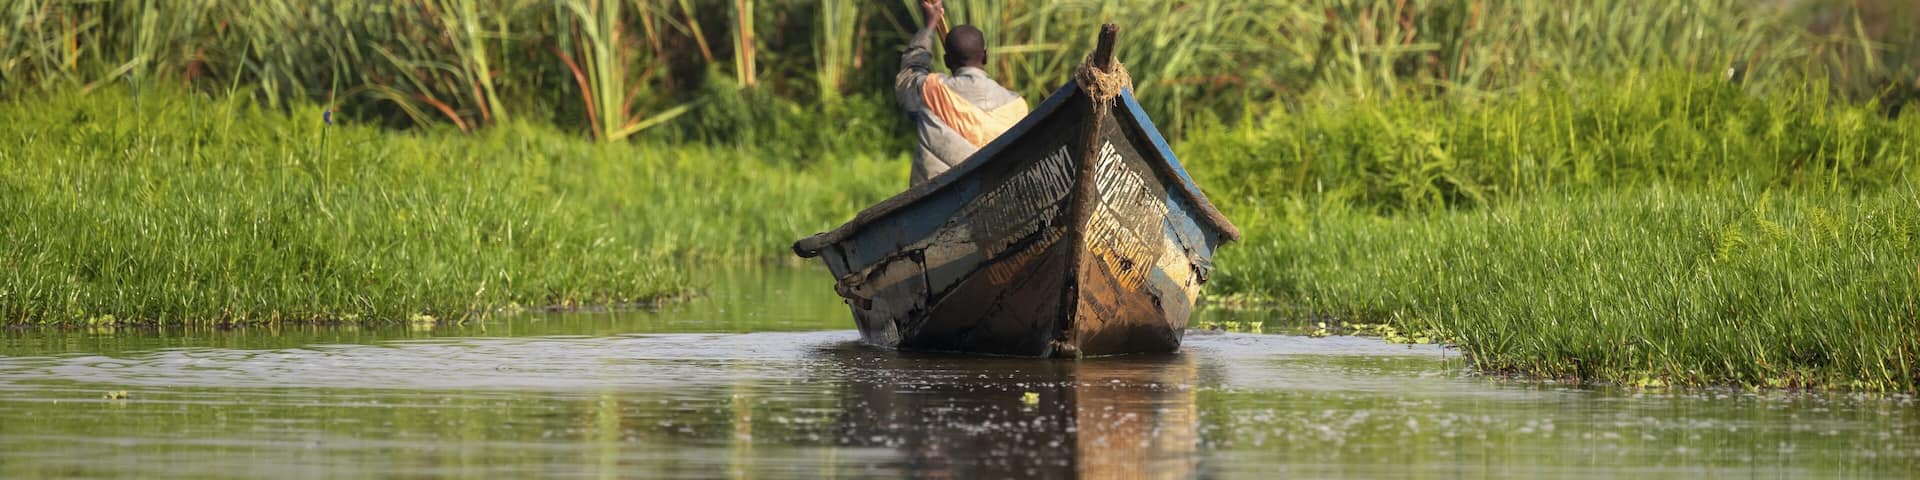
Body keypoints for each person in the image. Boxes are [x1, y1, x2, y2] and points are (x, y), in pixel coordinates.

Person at [895, 0, 1029, 186]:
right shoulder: (1017, 106)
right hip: (995, 202)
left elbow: (909, 75)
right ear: (985, 56)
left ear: (947, 61)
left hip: (935, 201)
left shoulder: (934, 90)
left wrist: (928, 27)